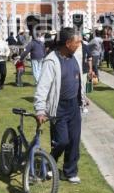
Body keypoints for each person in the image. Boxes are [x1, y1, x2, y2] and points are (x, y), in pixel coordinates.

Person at [34, 27, 84, 184]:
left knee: (74, 141)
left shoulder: (75, 56)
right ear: (68, 43)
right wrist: (40, 109)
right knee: (62, 141)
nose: (79, 44)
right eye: (77, 42)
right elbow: (42, 87)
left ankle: (69, 172)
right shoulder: (51, 60)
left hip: (74, 106)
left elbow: (77, 79)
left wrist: (82, 97)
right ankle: (50, 163)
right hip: (59, 108)